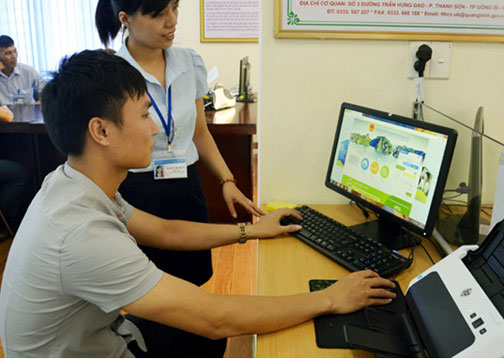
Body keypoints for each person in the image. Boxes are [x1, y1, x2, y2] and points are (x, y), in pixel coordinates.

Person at [0, 50, 397, 357]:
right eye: (144, 115)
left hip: (101, 336)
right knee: (229, 329)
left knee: (219, 334)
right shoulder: (80, 234)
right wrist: (330, 298)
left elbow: (165, 230)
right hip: (96, 348)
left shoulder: (73, 182)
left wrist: (252, 230)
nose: (154, 128)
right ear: (101, 131)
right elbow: (215, 317)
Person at [95, 0, 262, 289]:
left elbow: (200, 133)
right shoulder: (110, 76)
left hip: (186, 187)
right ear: (125, 18)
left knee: (192, 280)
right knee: (146, 288)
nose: (171, 21)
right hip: (137, 194)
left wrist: (227, 180)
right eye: (158, 13)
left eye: (175, 7)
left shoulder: (189, 62)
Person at [0, 35, 46, 105]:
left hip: (28, 111)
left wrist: (36, 106)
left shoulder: (28, 71)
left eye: (15, 51)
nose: (14, 56)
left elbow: (48, 91)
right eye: (8, 53)